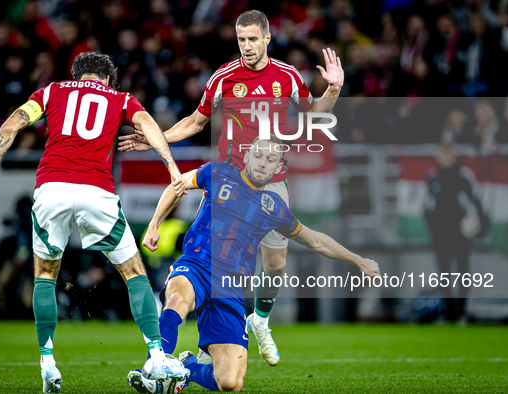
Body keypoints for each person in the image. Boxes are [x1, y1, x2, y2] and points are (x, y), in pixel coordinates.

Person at [118, 9, 345, 366]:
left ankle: (260, 320)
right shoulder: (224, 77)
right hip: (229, 180)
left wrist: (332, 88)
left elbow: (313, 116)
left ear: (267, 38)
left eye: (253, 39)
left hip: (273, 182)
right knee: (218, 261)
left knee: (276, 263)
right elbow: (196, 121)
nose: (247, 46)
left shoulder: (286, 76)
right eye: (241, 39)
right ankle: (209, 344)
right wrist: (157, 140)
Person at [0, 52, 189, 393]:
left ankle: (47, 362)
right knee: (134, 273)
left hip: (51, 189)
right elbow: (147, 125)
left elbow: (12, 123)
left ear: (77, 75)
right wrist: (171, 167)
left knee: (44, 275)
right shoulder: (120, 98)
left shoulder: (51, 91)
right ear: (107, 80)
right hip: (95, 190)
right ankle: (157, 355)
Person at [128, 137, 380, 392]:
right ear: (247, 157)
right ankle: (153, 370)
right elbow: (177, 184)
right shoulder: (217, 172)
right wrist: (154, 225)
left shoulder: (275, 208)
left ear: (278, 168)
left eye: (271, 160)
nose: (262, 163)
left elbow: (315, 240)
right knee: (177, 301)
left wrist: (357, 259)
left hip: (230, 286)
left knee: (230, 383)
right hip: (197, 265)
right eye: (258, 156)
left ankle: (187, 368)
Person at [425, 144, 488, 322]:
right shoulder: (433, 176)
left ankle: (461, 311)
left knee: (463, 273)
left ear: (454, 156)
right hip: (440, 235)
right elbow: (427, 206)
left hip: (461, 234)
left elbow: (475, 201)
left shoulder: (463, 176)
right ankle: (449, 311)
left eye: (448, 155)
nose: (445, 158)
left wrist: (479, 225)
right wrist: (433, 230)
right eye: (441, 155)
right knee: (444, 275)